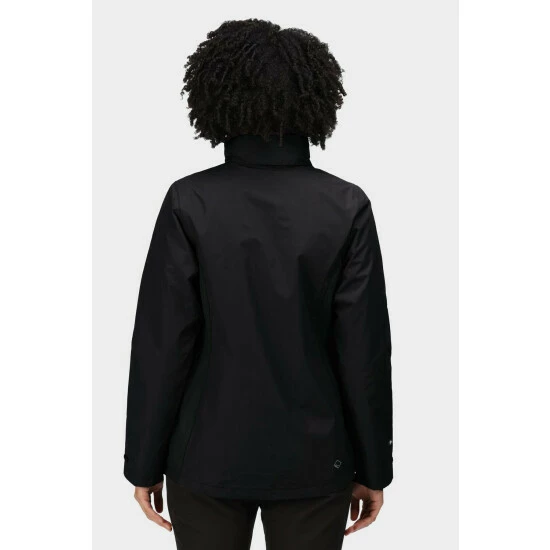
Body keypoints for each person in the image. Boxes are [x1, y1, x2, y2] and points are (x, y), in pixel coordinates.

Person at [124, 19, 393, 550]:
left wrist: (143, 461)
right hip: (317, 460)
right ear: (316, 99)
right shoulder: (346, 206)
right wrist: (372, 467)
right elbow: (363, 350)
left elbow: (163, 344)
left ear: (215, 95)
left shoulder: (189, 202)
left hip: (204, 459)